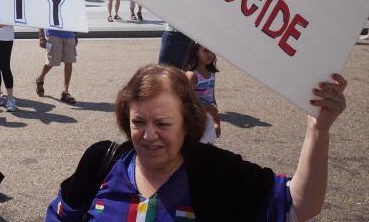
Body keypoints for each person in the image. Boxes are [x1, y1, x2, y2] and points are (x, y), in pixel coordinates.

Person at [46, 64, 347, 221]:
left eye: (163, 123)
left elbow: (300, 205)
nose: (148, 135)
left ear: (187, 123)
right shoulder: (102, 161)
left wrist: (318, 130)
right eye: (138, 122)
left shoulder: (216, 170)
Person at [183, 43, 220, 144]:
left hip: (208, 120)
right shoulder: (192, 75)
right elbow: (185, 102)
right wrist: (205, 108)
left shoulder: (211, 73)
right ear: (195, 52)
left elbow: (212, 98)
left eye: (212, 50)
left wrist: (217, 122)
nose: (210, 54)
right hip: (195, 121)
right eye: (205, 50)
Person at [35, 28, 78, 104]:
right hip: (52, 35)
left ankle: (65, 92)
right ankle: (40, 79)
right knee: (51, 62)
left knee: (69, 62)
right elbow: (41, 17)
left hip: (69, 35)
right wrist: (41, 36)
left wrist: (75, 34)